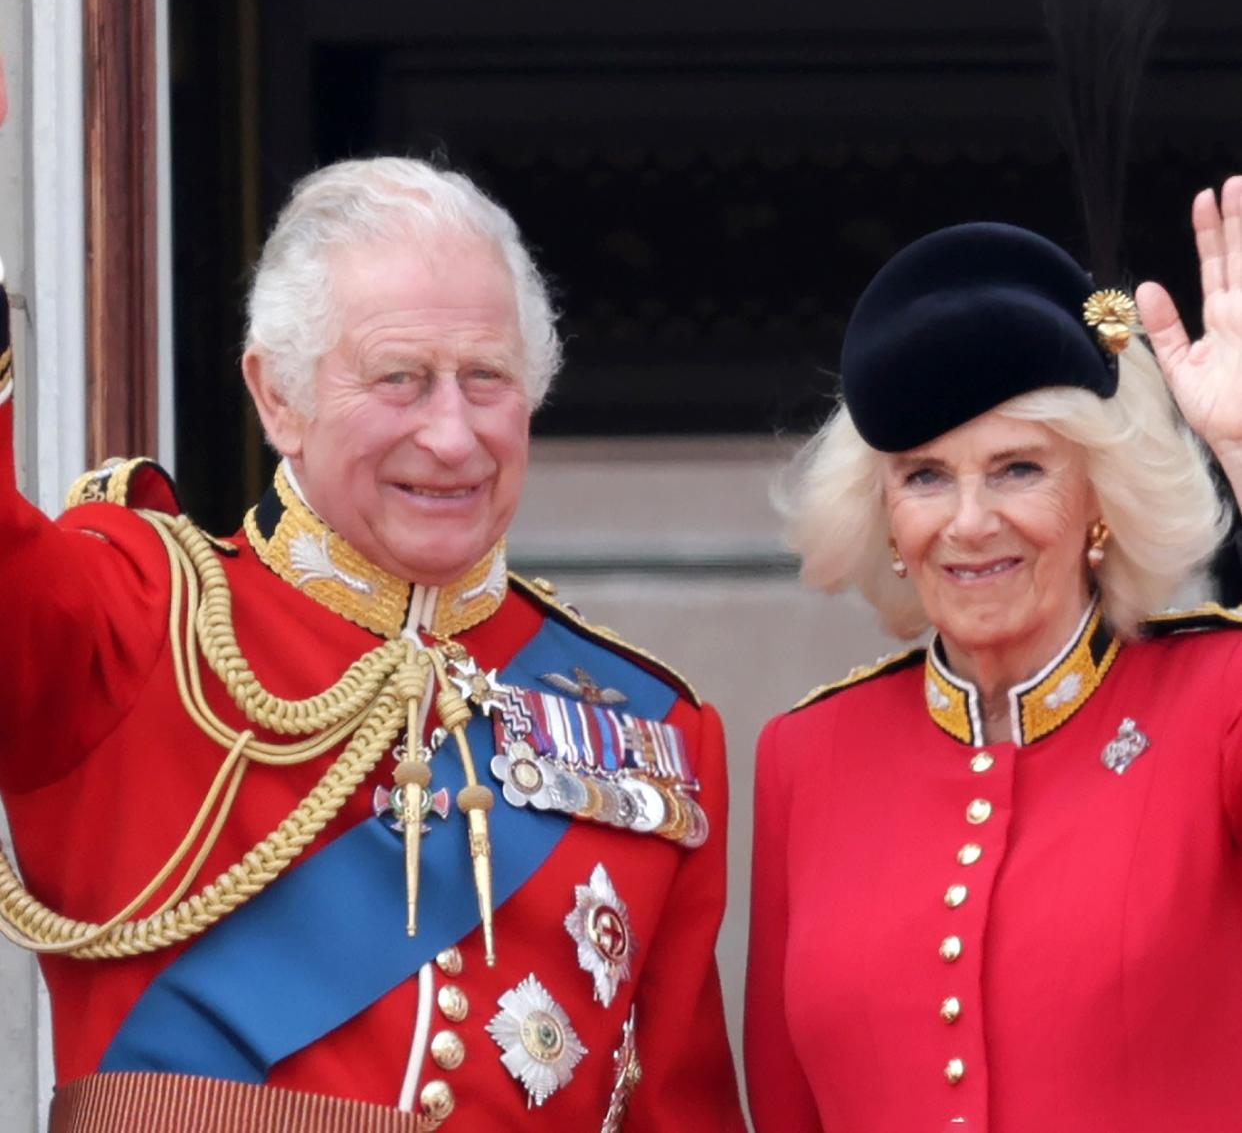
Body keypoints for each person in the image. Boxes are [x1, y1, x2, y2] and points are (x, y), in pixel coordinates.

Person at [0, 60, 745, 1130]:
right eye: (399, 378)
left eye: (486, 379)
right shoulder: (135, 620)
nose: (451, 435)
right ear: (278, 396)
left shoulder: (652, 731)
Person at [745, 181, 1242, 1133]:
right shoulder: (805, 758)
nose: (970, 523)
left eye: (1019, 468)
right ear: (885, 515)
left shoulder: (1218, 700)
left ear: (1100, 496)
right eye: (925, 477)